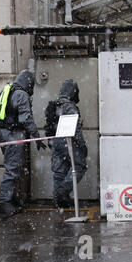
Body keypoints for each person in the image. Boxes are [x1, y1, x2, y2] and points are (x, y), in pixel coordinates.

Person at [0, 70, 47, 217]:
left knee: (13, 167)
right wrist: (37, 137)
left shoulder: (5, 91)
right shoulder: (21, 94)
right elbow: (26, 119)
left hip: (4, 134)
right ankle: (5, 202)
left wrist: (2, 131)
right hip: (14, 135)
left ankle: (11, 199)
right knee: (12, 169)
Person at [49, 79, 88, 208]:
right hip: (68, 140)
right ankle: (62, 193)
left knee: (60, 171)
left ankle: (59, 201)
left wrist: (51, 142)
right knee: (79, 167)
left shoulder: (53, 105)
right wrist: (82, 146)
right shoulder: (69, 106)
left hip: (55, 141)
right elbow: (75, 128)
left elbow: (48, 126)